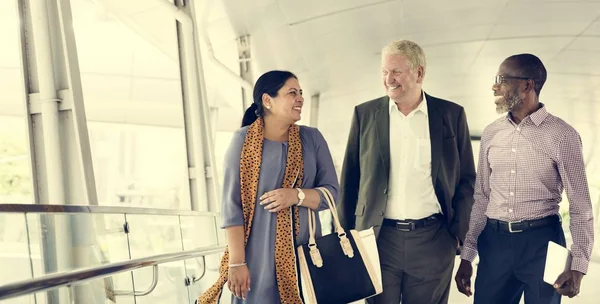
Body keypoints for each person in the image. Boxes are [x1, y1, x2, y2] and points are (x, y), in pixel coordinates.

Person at [337, 39, 476, 304]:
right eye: (384, 72)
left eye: (396, 71)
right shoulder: (365, 114)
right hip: (378, 239)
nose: (388, 78)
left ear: (419, 73)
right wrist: (346, 236)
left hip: (434, 240)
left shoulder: (451, 115)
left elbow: (467, 180)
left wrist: (458, 234)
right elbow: (351, 179)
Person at [455, 54, 594, 304]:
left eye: (502, 80)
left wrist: (579, 265)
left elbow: (581, 205)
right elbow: (481, 198)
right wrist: (468, 255)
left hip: (543, 244)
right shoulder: (491, 134)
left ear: (527, 85)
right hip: (494, 243)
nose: (494, 86)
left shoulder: (563, 136)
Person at [197, 70, 339, 304]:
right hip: (256, 259)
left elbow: (332, 194)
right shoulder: (242, 141)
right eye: (292, 93)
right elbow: (232, 208)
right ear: (267, 100)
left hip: (303, 256)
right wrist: (237, 263)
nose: (300, 98)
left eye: (301, 93)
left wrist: (296, 195)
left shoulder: (312, 139)